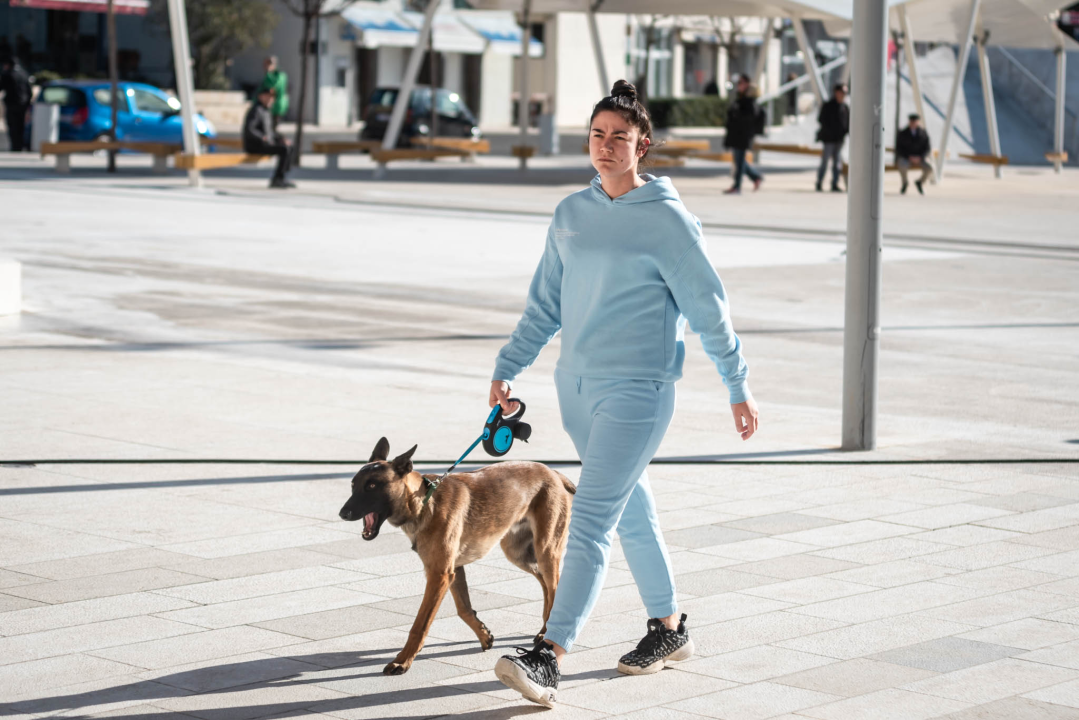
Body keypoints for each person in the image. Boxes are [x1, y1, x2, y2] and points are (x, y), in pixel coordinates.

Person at [488, 79, 758, 708]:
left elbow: (710, 310)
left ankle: (549, 655)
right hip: (576, 388)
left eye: (620, 138)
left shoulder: (668, 221)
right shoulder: (570, 215)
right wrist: (510, 365)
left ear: (643, 146)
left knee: (591, 520)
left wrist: (736, 384)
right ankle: (669, 629)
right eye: (597, 135)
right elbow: (544, 306)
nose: (606, 147)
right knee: (631, 511)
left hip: (639, 392)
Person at [243, 88, 294, 189]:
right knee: (284, 150)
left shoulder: (266, 111)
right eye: (268, 97)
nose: (271, 99)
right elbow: (249, 129)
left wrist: (282, 139)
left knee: (289, 147)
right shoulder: (256, 110)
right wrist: (262, 137)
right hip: (255, 145)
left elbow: (270, 131)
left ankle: (281, 177)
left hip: (265, 144)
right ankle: (277, 179)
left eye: (272, 98)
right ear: (261, 97)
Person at [723, 74, 765, 194]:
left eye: (740, 82)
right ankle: (756, 177)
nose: (738, 85)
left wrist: (736, 116)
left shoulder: (749, 102)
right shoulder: (740, 99)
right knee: (739, 160)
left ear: (747, 84)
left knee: (739, 161)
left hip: (743, 135)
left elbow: (748, 119)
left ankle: (737, 186)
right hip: (737, 134)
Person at [816, 83, 849, 192]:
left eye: (845, 93)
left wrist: (845, 132)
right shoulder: (828, 105)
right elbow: (821, 119)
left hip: (839, 139)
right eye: (842, 92)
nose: (843, 95)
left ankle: (834, 183)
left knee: (837, 163)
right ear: (836, 93)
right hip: (829, 139)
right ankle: (819, 182)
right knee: (825, 161)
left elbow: (848, 123)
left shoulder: (845, 107)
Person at [0, 55, 32, 152]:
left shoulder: (8, 74)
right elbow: (29, 91)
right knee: (21, 126)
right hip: (23, 104)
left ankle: (15, 146)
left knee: (12, 126)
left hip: (12, 104)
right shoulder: (24, 74)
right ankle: (20, 145)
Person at [896, 113, 932, 194]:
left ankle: (920, 182)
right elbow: (899, 148)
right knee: (902, 165)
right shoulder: (903, 133)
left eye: (915, 121)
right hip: (907, 157)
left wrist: (920, 157)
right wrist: (909, 157)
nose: (913, 123)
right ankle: (905, 183)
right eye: (912, 121)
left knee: (930, 167)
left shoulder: (923, 133)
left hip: (920, 158)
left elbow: (927, 148)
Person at [257, 56, 289, 132]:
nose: (266, 67)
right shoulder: (271, 75)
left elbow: (272, 89)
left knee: (271, 127)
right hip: (273, 105)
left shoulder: (279, 76)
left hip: (276, 105)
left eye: (269, 64)